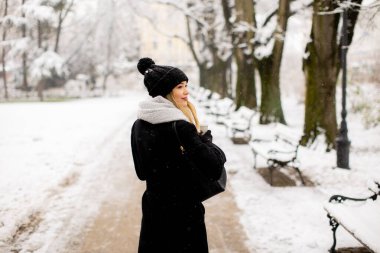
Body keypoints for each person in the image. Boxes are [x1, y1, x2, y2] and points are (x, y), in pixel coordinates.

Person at [131, 57, 226, 253]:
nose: (186, 92)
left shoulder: (139, 125)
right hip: (183, 211)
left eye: (186, 86)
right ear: (166, 91)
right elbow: (214, 167)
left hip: (154, 209)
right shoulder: (181, 126)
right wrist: (205, 141)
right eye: (180, 87)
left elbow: (142, 172)